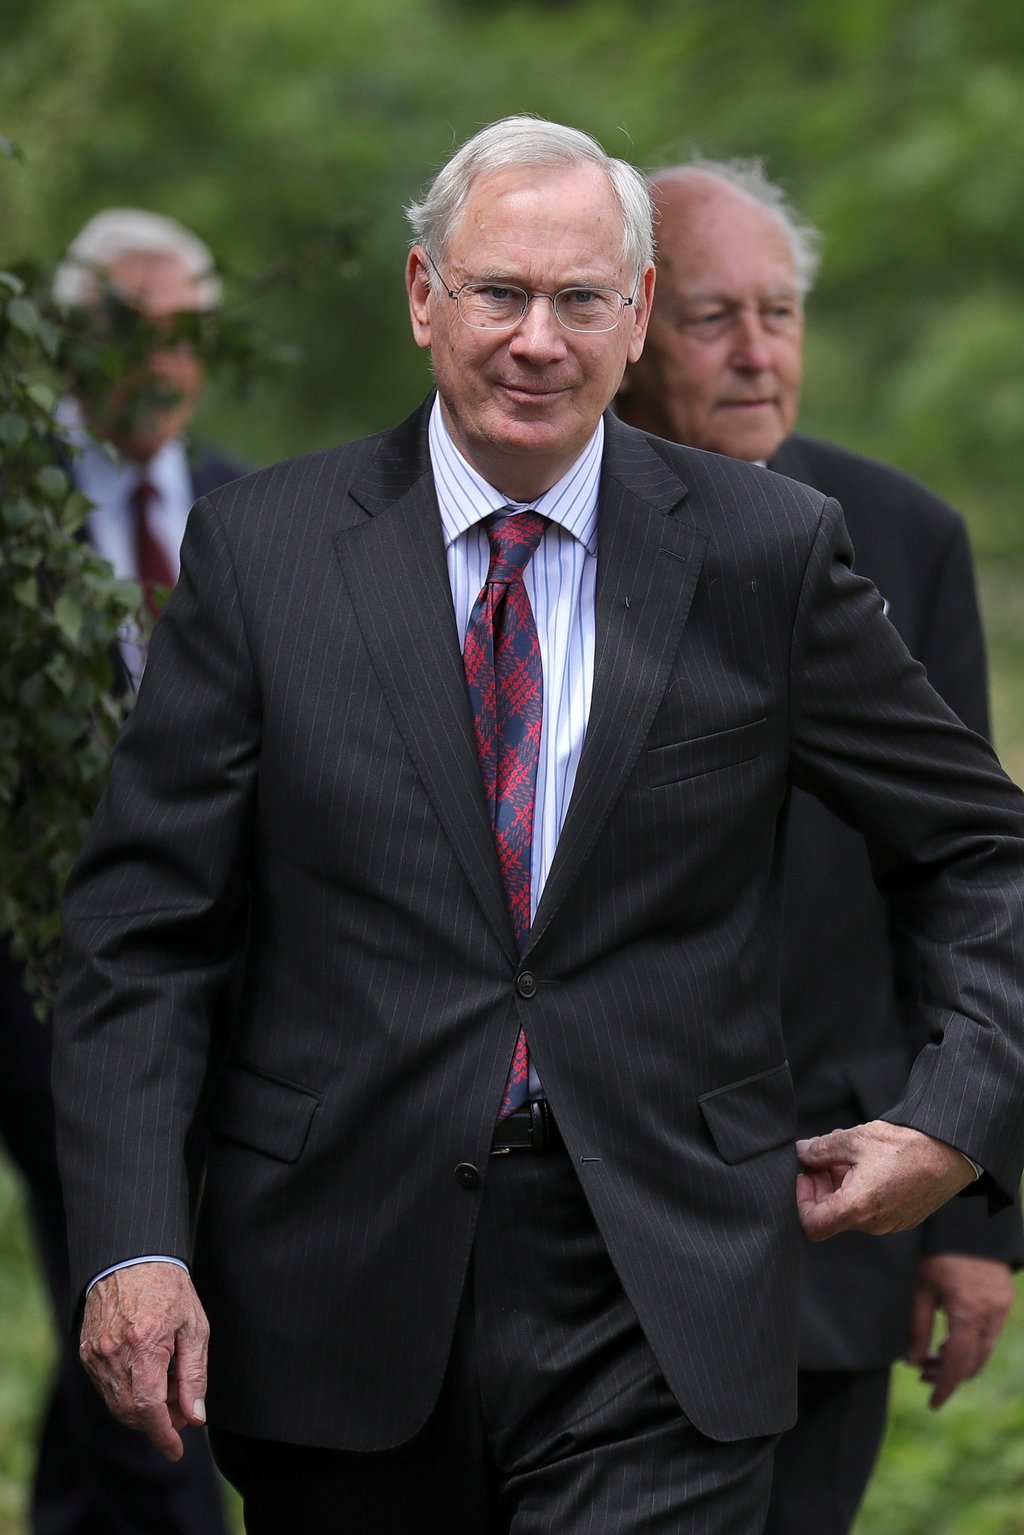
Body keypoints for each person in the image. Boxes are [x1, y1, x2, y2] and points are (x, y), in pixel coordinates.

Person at [50, 117, 1024, 1535]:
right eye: (499, 292)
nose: (536, 341)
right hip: (339, 1280)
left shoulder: (766, 550)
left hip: (663, 1289)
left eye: (580, 299)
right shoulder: (266, 552)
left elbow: (983, 853)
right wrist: (133, 1242)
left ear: (636, 314)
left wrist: (956, 1119)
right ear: (423, 295)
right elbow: (143, 934)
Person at [617, 158, 1023, 1531]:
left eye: (779, 313)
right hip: (571, 1211)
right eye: (711, 318)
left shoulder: (902, 533)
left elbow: (961, 880)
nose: (757, 353)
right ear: (631, 327)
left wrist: (972, 1215)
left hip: (828, 1204)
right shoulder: (533, 534)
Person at [0, 209, 238, 1535]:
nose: (156, 365)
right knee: (128, 1265)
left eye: (182, 336)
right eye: (123, 334)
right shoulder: (17, 508)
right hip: (45, 975)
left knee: (146, 1271)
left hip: (225, 973)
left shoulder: (250, 508)